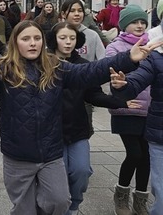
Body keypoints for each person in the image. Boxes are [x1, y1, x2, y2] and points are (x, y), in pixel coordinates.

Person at [0, 20, 161, 214]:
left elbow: (91, 71)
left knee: (59, 202)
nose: (32, 43)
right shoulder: (5, 68)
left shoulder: (56, 67)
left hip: (50, 153)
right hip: (18, 155)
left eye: (37, 38)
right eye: (26, 39)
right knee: (24, 209)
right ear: (16, 43)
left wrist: (128, 58)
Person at [46, 22, 130, 215]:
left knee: (81, 171)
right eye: (63, 38)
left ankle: (73, 206)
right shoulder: (45, 63)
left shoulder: (84, 66)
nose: (68, 42)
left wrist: (119, 101)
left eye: (72, 38)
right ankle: (60, 208)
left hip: (77, 129)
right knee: (61, 174)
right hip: (51, 131)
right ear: (54, 40)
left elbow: (93, 95)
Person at [106, 5, 153, 215]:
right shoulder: (115, 47)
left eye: (143, 22)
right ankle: (121, 194)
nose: (140, 25)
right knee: (134, 153)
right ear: (125, 24)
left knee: (146, 157)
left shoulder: (153, 45)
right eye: (135, 22)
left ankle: (141, 199)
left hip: (149, 110)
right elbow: (109, 77)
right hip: (127, 108)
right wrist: (119, 99)